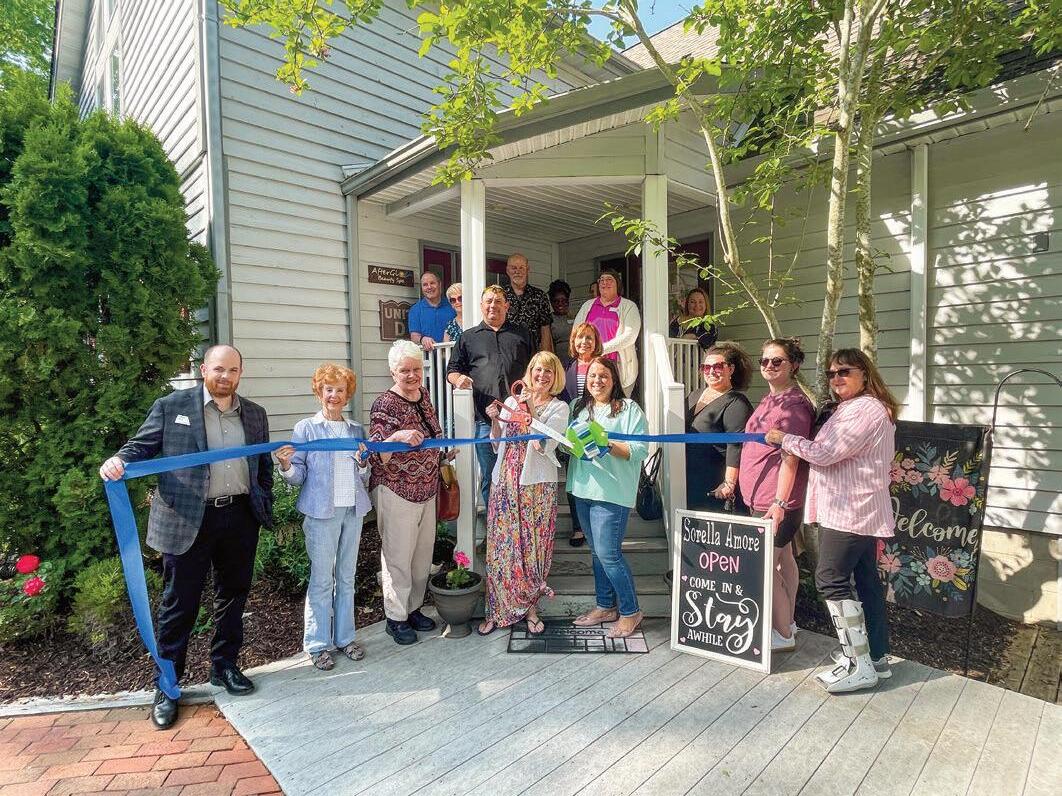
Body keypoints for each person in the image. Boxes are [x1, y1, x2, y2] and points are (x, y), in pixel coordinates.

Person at [99, 345, 273, 730]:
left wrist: (264, 502)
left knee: (233, 595)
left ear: (241, 373)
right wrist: (119, 460)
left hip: (240, 517)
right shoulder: (171, 406)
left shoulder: (254, 413)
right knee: (179, 603)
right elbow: (141, 446)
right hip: (187, 519)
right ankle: (167, 684)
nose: (225, 376)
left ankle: (224, 666)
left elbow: (262, 464)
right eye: (218, 369)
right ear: (203, 369)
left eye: (232, 370)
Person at [765, 348, 899, 693]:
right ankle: (876, 657)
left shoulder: (865, 409)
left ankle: (858, 663)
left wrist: (785, 439)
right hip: (853, 508)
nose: (836, 378)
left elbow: (826, 453)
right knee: (866, 581)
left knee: (830, 580)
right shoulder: (852, 408)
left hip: (850, 510)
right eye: (831, 373)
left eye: (844, 371)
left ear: (864, 373)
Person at [274, 364, 371, 670]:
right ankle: (317, 645)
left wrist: (363, 465)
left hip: (352, 511)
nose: (334, 395)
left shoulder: (355, 430)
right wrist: (286, 465)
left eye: (340, 390)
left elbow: (364, 476)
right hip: (320, 513)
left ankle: (345, 638)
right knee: (321, 579)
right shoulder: (307, 428)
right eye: (329, 389)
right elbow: (298, 476)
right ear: (319, 392)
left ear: (347, 395)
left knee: (347, 577)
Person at [477, 352, 569, 636]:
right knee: (501, 547)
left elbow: (544, 445)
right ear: (530, 372)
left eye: (548, 371)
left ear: (556, 377)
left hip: (536, 485)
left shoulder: (559, 408)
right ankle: (496, 610)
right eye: (538, 369)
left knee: (532, 548)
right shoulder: (510, 401)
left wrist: (529, 407)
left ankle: (530, 609)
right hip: (505, 479)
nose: (542, 375)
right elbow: (496, 442)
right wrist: (495, 420)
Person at [739, 339, 814, 653]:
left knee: (765, 567)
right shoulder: (771, 400)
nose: (768, 366)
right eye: (764, 361)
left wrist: (779, 502)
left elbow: (790, 456)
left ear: (793, 365)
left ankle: (782, 634)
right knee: (783, 560)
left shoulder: (794, 406)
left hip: (775, 502)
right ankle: (788, 621)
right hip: (761, 498)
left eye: (777, 361)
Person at [369, 340, 446, 645]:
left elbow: (433, 433)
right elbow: (375, 452)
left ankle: (413, 608)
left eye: (416, 369)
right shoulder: (385, 404)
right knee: (398, 558)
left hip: (427, 489)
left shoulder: (423, 396)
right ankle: (396, 617)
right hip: (396, 489)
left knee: (421, 556)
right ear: (393, 372)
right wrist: (397, 436)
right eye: (405, 371)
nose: (412, 375)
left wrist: (442, 453)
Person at [567, 357, 649, 639]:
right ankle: (605, 606)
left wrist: (608, 444)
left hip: (611, 493)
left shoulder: (629, 408)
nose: (597, 381)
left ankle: (631, 611)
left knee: (609, 555)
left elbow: (640, 450)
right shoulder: (578, 407)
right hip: (582, 489)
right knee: (596, 553)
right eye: (592, 375)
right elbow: (567, 444)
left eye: (604, 375)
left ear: (614, 380)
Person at [446, 285, 532, 509]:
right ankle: (494, 525)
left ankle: (515, 523)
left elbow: (534, 368)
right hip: (485, 420)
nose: (493, 305)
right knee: (491, 476)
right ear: (481, 306)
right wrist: (458, 379)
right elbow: (451, 371)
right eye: (489, 301)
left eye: (498, 301)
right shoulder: (468, 337)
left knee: (519, 475)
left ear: (507, 306)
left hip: (518, 420)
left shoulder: (522, 334)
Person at [685, 342, 754, 512]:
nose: (711, 371)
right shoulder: (694, 395)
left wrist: (728, 483)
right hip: (689, 478)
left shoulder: (736, 402)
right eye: (706, 367)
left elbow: (736, 445)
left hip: (715, 484)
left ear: (731, 369)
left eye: (717, 366)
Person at [561, 322, 603, 547]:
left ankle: (596, 526)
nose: (584, 342)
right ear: (573, 341)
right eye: (580, 337)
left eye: (589, 337)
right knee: (574, 480)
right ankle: (578, 527)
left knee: (597, 478)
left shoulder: (603, 365)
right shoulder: (568, 366)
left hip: (597, 427)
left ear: (596, 342)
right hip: (573, 430)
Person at [572, 270, 641, 396]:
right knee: (589, 402)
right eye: (602, 280)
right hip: (590, 363)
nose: (605, 283)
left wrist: (601, 349)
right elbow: (576, 331)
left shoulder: (628, 306)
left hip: (618, 368)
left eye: (609, 280)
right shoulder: (588, 305)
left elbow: (630, 336)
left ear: (618, 284)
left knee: (617, 404)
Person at [502, 253, 554, 352]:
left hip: (532, 354)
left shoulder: (539, 296)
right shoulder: (500, 296)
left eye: (521, 268)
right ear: (507, 270)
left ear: (527, 270)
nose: (517, 271)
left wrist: (545, 355)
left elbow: (545, 329)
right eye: (513, 268)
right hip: (507, 353)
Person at [408, 271, 456, 352]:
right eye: (425, 285)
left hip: (453, 355)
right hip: (428, 356)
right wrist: (422, 339)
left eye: (432, 283)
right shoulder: (415, 310)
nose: (429, 287)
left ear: (439, 284)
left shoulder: (452, 305)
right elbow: (414, 336)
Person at [548, 279, 574, 367]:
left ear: (568, 300)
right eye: (556, 301)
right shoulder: (549, 319)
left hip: (577, 362)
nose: (560, 304)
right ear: (551, 302)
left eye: (563, 300)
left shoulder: (576, 316)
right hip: (559, 363)